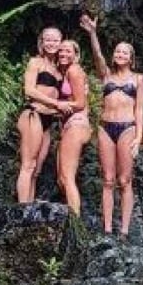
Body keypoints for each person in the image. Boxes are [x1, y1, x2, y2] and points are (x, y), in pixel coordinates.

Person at [79, 13, 143, 237]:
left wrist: (139, 137)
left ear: (131, 57)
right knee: (107, 180)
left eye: (124, 52)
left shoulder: (138, 79)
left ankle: (125, 229)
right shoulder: (106, 75)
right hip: (106, 127)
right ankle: (107, 228)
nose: (120, 54)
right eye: (117, 51)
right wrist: (92, 33)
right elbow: (98, 56)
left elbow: (139, 109)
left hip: (127, 127)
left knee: (124, 180)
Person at [16, 27, 65, 204]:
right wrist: (56, 104)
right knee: (28, 165)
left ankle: (29, 208)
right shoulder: (35, 62)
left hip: (49, 120)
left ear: (61, 42)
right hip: (34, 114)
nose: (51, 43)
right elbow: (29, 90)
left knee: (36, 169)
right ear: (42, 43)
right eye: (48, 40)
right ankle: (22, 209)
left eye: (55, 40)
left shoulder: (60, 69)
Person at [52, 39, 91, 216]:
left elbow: (81, 103)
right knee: (61, 180)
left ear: (76, 55)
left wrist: (57, 105)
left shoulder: (74, 70)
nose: (63, 54)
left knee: (67, 178)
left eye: (68, 51)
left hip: (77, 122)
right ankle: (71, 216)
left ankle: (75, 225)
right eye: (61, 51)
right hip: (68, 125)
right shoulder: (64, 72)